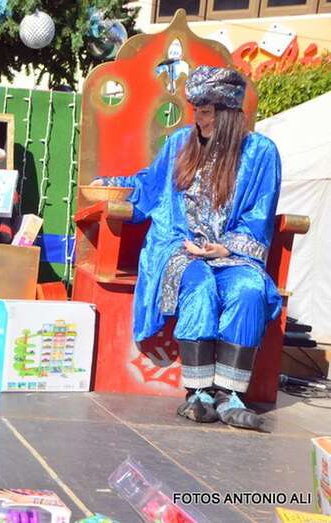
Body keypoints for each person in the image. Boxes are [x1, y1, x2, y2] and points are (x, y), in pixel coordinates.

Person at [95, 66, 282, 430]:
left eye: (208, 111)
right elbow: (148, 184)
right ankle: (197, 393)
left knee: (249, 289)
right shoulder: (180, 143)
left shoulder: (261, 153)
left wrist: (224, 249)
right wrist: (108, 183)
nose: (199, 118)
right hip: (180, 246)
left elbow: (260, 213)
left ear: (228, 114)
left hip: (233, 253)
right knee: (199, 286)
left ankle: (230, 395)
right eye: (196, 109)